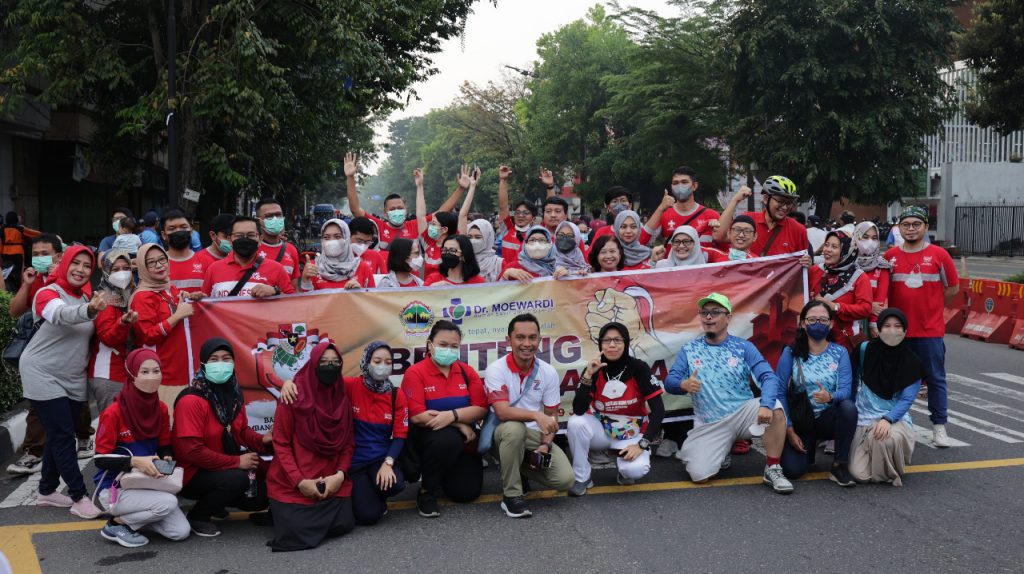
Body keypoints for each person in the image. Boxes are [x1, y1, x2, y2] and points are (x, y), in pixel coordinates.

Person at [665, 293, 793, 493]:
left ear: (729, 318)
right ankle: (721, 452)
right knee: (700, 475)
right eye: (705, 312)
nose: (709, 317)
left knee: (775, 408)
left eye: (715, 312)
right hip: (710, 423)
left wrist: (766, 404)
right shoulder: (689, 349)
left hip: (742, 414)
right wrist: (683, 385)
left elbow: (769, 377)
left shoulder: (744, 347)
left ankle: (773, 468)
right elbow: (670, 382)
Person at [20, 245, 105, 518]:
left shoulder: (88, 297)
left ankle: (46, 490)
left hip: (73, 377)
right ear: (64, 264)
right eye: (75, 263)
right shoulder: (49, 293)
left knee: (60, 435)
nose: (80, 270)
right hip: (42, 371)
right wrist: (89, 310)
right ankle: (79, 498)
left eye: (86, 265)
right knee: (63, 436)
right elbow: (59, 315)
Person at [173, 338, 273, 537]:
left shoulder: (234, 395)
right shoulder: (192, 400)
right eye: (214, 359)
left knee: (259, 497)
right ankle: (198, 516)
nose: (221, 364)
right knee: (239, 478)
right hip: (193, 473)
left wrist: (263, 440)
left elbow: (241, 431)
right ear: (203, 364)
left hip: (221, 466)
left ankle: (217, 502)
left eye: (226, 359)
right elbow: (191, 451)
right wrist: (236, 462)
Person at [93, 349, 189, 547]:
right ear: (131, 374)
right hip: (114, 487)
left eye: (156, 371)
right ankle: (116, 523)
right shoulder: (113, 413)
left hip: (146, 481)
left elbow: (164, 445)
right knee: (168, 503)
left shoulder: (161, 409)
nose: (152, 377)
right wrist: (134, 461)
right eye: (144, 372)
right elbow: (99, 459)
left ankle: (140, 519)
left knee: (180, 532)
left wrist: (167, 457)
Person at [267, 341, 355, 551]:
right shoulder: (293, 396)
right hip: (295, 481)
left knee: (344, 524)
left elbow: (348, 443)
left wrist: (340, 475)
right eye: (323, 362)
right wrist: (300, 482)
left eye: (335, 362)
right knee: (296, 532)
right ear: (312, 364)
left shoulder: (341, 395)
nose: (330, 367)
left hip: (331, 479)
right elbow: (281, 443)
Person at [484, 314, 574, 517]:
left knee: (565, 480)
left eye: (532, 338)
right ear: (508, 340)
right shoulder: (496, 369)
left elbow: (551, 417)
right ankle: (512, 497)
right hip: (502, 433)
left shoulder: (548, 372)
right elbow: (503, 411)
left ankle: (517, 469)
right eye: (520, 337)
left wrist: (545, 445)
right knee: (514, 429)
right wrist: (536, 416)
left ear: (539, 340)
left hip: (532, 437)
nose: (527, 343)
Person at [884, 206, 958, 448]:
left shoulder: (939, 255)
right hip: (896, 332)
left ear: (926, 227)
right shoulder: (890, 256)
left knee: (935, 379)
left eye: (917, 224)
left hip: (929, 331)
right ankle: (896, 423)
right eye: (906, 224)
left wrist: (934, 308)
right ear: (899, 228)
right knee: (894, 380)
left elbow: (952, 288)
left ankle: (939, 426)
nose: (911, 228)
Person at [400, 320, 487, 518]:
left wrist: (452, 415)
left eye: (454, 346)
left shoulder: (466, 371)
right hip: (431, 439)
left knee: (466, 493)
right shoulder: (415, 372)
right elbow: (417, 416)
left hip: (465, 442)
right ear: (430, 345)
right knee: (447, 440)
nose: (448, 350)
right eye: (443, 345)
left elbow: (481, 408)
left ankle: (443, 473)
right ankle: (426, 491)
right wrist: (458, 422)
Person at [567, 322, 665, 496]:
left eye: (617, 340)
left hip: (632, 432)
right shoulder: (593, 368)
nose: (612, 345)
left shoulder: (639, 368)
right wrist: (588, 376)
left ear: (626, 343)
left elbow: (658, 411)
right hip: (602, 429)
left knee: (634, 471)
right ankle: (582, 477)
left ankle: (623, 468)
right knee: (575, 422)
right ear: (600, 344)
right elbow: (579, 409)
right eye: (607, 340)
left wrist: (642, 444)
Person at [776, 301, 857, 485]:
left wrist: (830, 397)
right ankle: (808, 448)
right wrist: (789, 430)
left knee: (848, 409)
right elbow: (779, 392)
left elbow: (845, 391)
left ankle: (839, 465)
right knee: (792, 471)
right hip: (800, 420)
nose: (817, 324)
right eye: (812, 319)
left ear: (831, 324)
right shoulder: (790, 352)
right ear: (802, 323)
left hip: (827, 418)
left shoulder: (840, 352)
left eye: (822, 319)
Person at [850, 309, 924, 486]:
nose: (892, 330)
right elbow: (852, 382)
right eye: (887, 326)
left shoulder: (912, 362)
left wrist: (887, 419)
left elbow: (906, 400)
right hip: (863, 416)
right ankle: (871, 450)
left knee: (883, 437)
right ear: (879, 329)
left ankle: (889, 464)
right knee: (858, 474)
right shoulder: (864, 350)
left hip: (893, 418)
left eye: (898, 326)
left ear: (905, 331)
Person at [344, 152, 465, 250]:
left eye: (400, 208)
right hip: (386, 279)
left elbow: (442, 212)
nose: (397, 211)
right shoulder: (378, 226)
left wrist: (461, 188)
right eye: (392, 209)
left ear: (406, 210)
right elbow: (355, 209)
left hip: (412, 279)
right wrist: (350, 177)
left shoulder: (414, 225)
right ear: (385, 212)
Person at [345, 342, 407, 525]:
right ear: (366, 362)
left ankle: (375, 492)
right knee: (368, 516)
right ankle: (363, 493)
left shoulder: (397, 395)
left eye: (388, 362)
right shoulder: (350, 385)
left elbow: (400, 435)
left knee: (396, 483)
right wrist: (289, 384)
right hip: (354, 463)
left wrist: (388, 463)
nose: (382, 366)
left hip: (380, 460)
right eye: (377, 360)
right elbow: (319, 384)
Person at [130, 244, 195, 414]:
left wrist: (186, 296)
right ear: (143, 268)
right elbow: (148, 336)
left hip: (181, 368)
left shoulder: (169, 288)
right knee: (167, 425)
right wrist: (177, 316)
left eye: (162, 260)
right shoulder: (142, 296)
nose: (159, 266)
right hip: (162, 372)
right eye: (151, 263)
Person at [802, 231, 873, 352]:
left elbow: (865, 309)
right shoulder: (815, 271)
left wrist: (836, 307)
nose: (827, 250)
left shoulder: (859, 277)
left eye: (834, 247)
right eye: (826, 245)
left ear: (846, 251)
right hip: (815, 341)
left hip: (844, 343)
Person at [87, 249, 139, 414]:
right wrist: (122, 322)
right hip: (108, 373)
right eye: (115, 270)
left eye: (126, 268)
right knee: (113, 429)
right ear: (106, 272)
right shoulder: (105, 299)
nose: (122, 273)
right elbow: (107, 338)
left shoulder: (131, 294)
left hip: (125, 371)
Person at [202, 216, 296, 298]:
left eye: (251, 235)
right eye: (239, 235)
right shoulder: (214, 269)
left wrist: (275, 292)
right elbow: (204, 305)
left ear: (260, 239)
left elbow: (292, 303)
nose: (245, 239)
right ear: (230, 240)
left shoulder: (277, 269)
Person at [713, 178, 809, 257]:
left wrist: (807, 263)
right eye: (780, 201)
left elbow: (802, 265)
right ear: (766, 199)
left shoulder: (799, 230)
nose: (785, 207)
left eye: (789, 203)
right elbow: (719, 237)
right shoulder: (748, 219)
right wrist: (735, 200)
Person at [645, 167, 721, 245]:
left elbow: (725, 249)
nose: (680, 186)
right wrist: (660, 208)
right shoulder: (664, 214)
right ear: (671, 187)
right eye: (675, 183)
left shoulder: (712, 216)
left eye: (684, 182)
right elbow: (642, 242)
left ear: (694, 186)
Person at [300, 219, 376, 291]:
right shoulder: (313, 266)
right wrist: (305, 281)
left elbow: (372, 301)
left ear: (347, 239)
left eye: (337, 237)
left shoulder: (362, 268)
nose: (332, 241)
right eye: (326, 237)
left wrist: (359, 293)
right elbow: (307, 301)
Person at [853, 221, 891, 338]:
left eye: (874, 238)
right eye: (865, 237)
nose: (870, 242)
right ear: (856, 237)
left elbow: (880, 300)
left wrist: (873, 324)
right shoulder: (846, 263)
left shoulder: (882, 266)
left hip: (870, 325)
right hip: (847, 320)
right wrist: (868, 307)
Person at [254, 197, 302, 291]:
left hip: (285, 305)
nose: (275, 219)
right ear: (259, 220)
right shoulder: (252, 249)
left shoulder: (291, 250)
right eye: (269, 216)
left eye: (278, 215)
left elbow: (294, 288)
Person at [495, 165, 536, 264]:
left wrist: (550, 186)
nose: (520, 215)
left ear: (533, 219)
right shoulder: (507, 229)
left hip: (528, 278)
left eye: (525, 213)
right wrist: (503, 180)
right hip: (507, 277)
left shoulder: (537, 234)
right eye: (517, 212)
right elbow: (503, 206)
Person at [162, 209, 208, 295]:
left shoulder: (207, 263)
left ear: (191, 231)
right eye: (172, 228)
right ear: (164, 235)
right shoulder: (157, 265)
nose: (178, 231)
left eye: (183, 227)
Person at [2, 211, 41, 291]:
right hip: (18, 251)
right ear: (16, 219)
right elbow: (37, 234)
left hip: (5, 252)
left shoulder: (2, 229)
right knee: (19, 272)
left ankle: (8, 288)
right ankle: (18, 289)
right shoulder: (20, 228)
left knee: (6, 271)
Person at [655, 226, 727, 268]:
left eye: (686, 242)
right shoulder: (660, 266)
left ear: (695, 244)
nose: (681, 246)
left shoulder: (708, 269)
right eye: (677, 241)